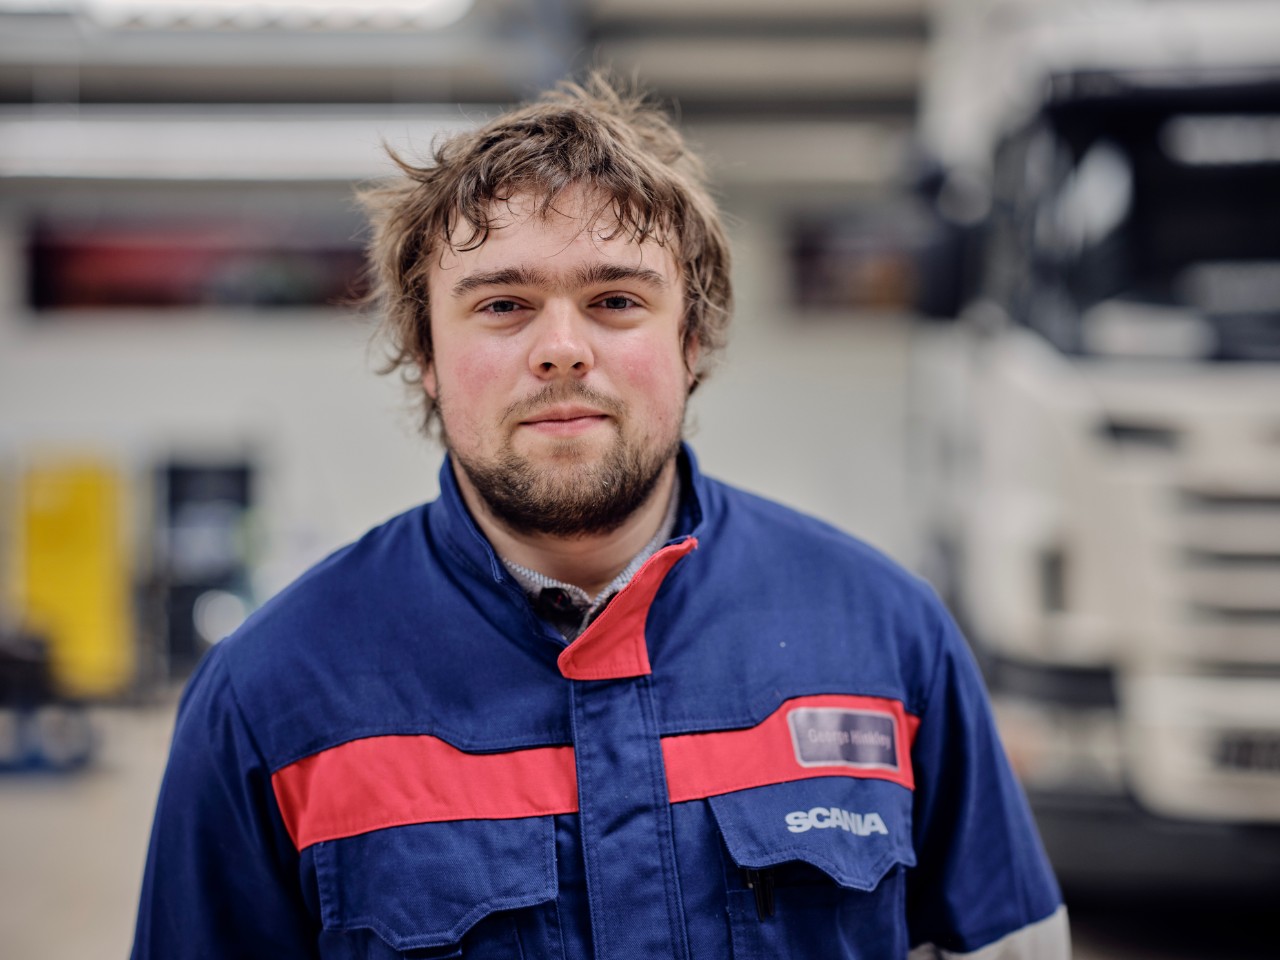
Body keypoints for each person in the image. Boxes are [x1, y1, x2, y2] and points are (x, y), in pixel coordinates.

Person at [132, 76, 1069, 959]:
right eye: (503, 304)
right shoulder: (271, 697)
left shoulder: (886, 639)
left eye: (616, 300)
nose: (563, 350)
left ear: (690, 339)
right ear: (425, 353)